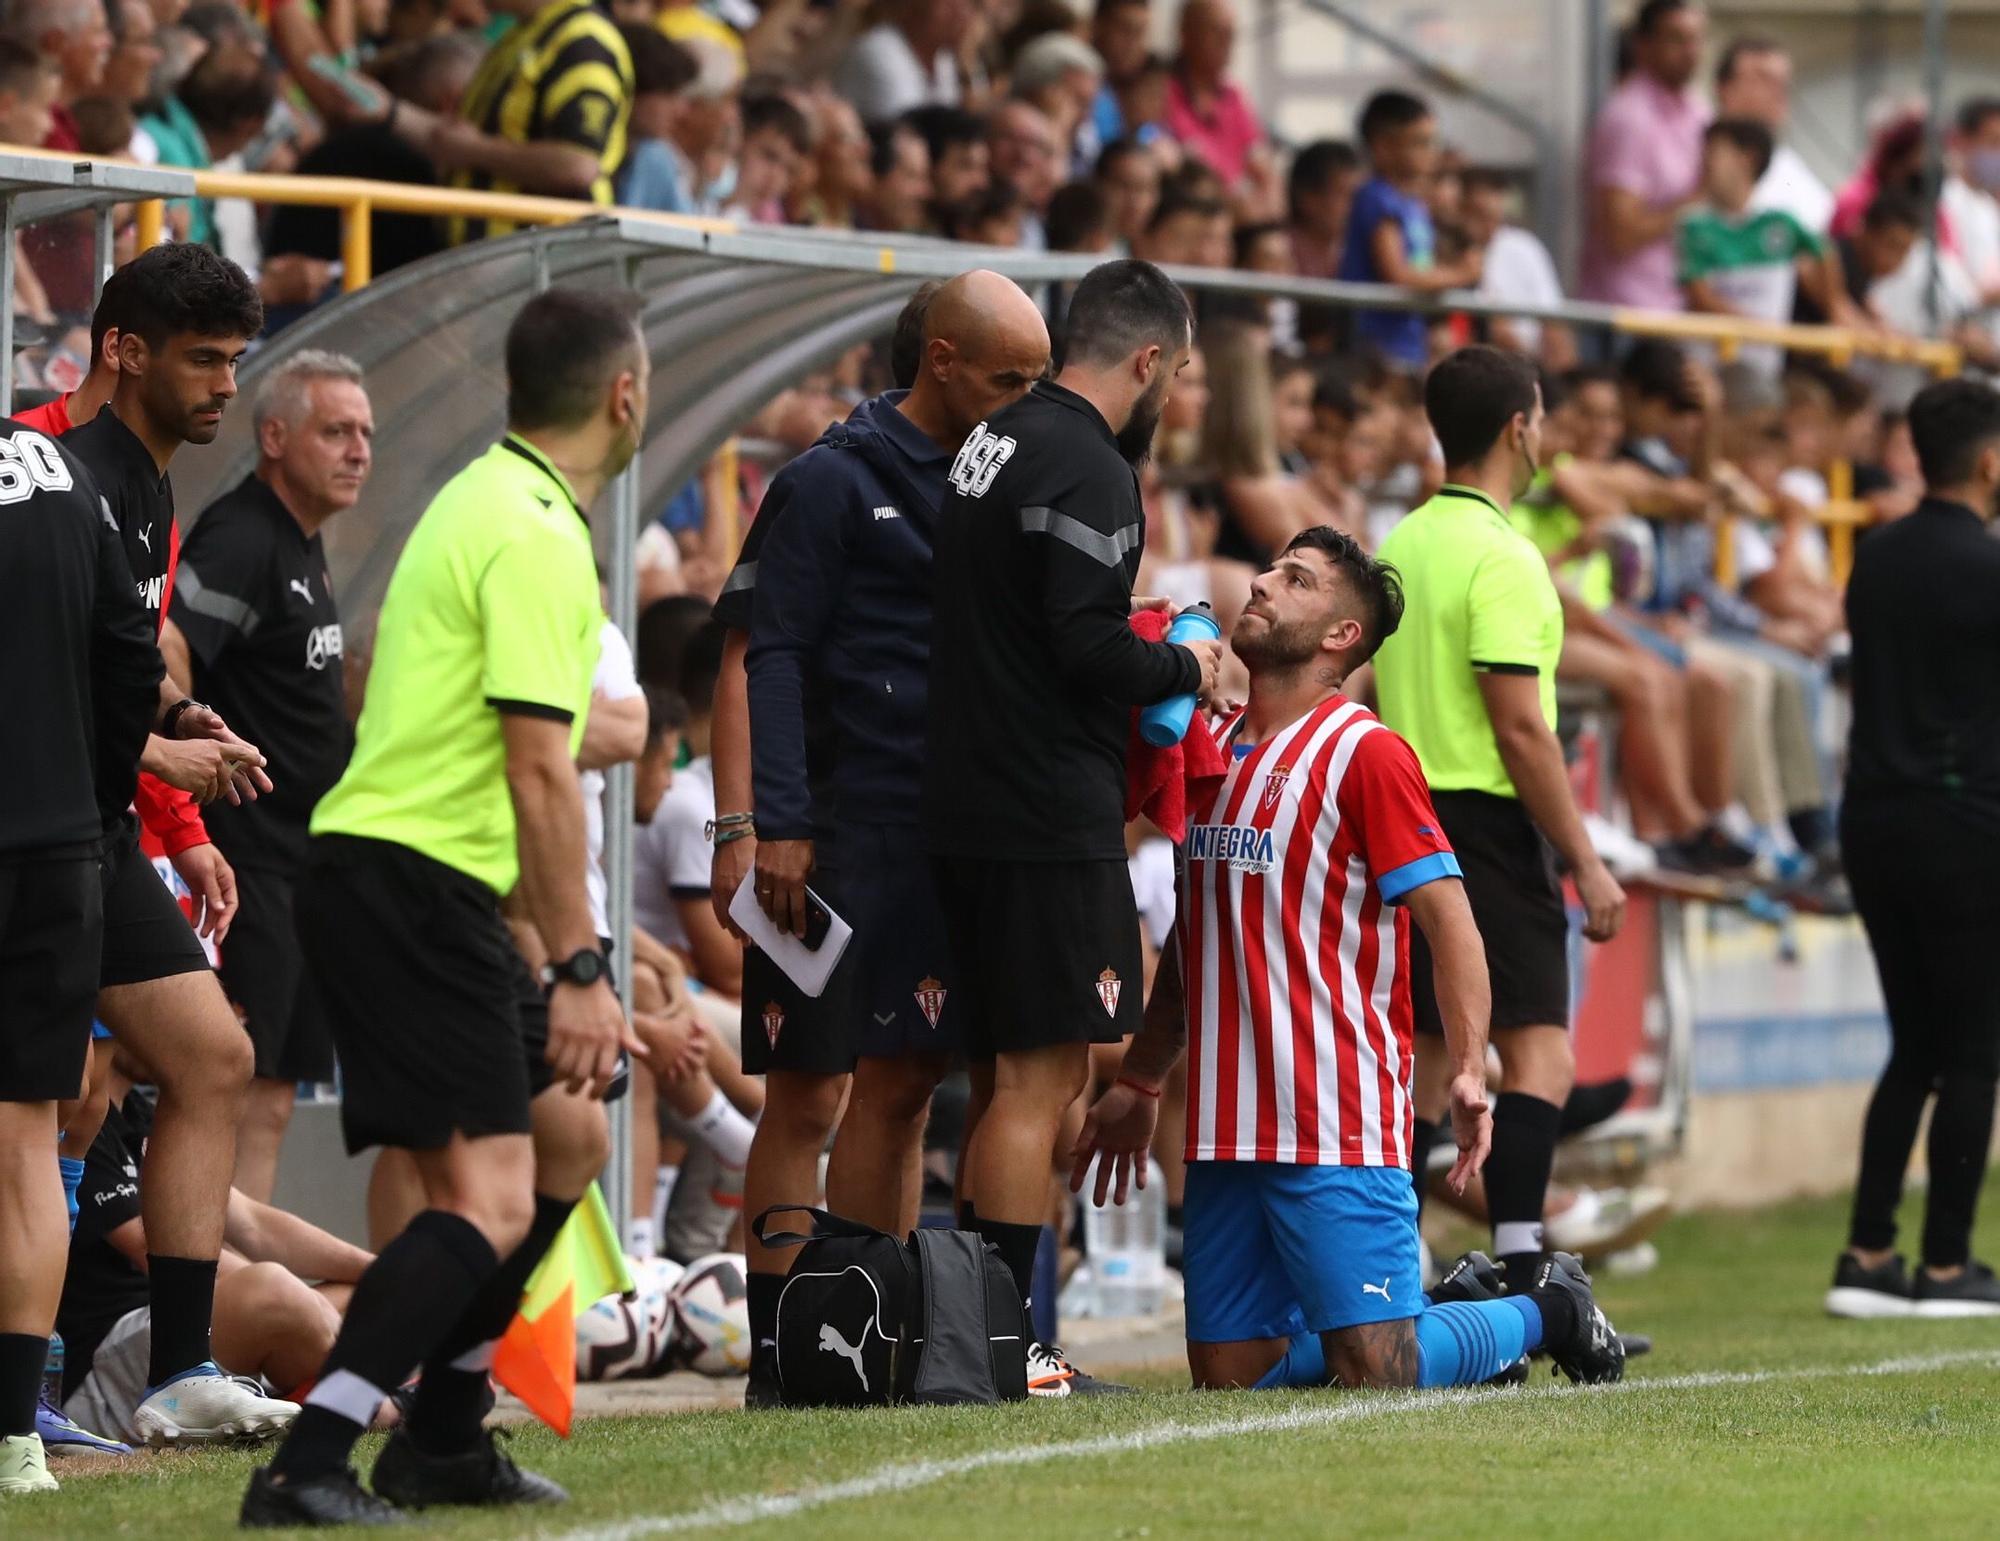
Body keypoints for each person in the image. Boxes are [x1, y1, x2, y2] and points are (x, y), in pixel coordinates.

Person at [240, 289, 649, 1527]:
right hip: (403, 883)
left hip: (417, 883)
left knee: (568, 1139)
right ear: (624, 396)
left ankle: (447, 1436)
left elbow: (504, 766)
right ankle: (309, 1462)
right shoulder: (534, 531)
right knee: (487, 1197)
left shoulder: (487, 494)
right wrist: (578, 964)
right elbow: (540, 764)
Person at [1071, 527, 1626, 1393]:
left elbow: (1454, 924)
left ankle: (1545, 1308)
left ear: (1341, 638)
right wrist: (1142, 1082)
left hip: (1335, 1117)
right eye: (1270, 569)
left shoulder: (1364, 752)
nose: (1259, 584)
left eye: (1295, 580)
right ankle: (1447, 1309)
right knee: (1231, 1377)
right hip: (1224, 1127)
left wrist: (1472, 1066)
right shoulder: (1211, 752)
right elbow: (1195, 938)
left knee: (1374, 1371)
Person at [738, 270, 1052, 1405]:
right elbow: (766, 652)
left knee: (908, 1080)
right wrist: (776, 821)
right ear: (941, 362)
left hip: (943, 833)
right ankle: (780, 1352)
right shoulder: (828, 479)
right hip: (829, 835)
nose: (1026, 399)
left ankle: (868, 1335)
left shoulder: (1001, 477)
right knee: (806, 1085)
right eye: (1010, 378)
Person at [924, 258, 1222, 1396]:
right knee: (1038, 1081)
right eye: (1178, 373)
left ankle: (983, 1340)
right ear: (1144, 361)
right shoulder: (1087, 461)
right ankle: (999, 1350)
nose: (1177, 396)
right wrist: (1183, 659)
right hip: (1043, 806)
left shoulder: (991, 440)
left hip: (966, 794)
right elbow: (1081, 644)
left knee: (1013, 1082)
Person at [63, 245, 298, 1452]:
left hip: (94, 834)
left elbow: (112, 668)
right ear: (124, 350)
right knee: (45, 1110)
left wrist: (174, 721)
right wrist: (160, 761)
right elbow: (34, 683)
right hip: (40, 834)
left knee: (212, 1055)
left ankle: (179, 1367)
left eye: (234, 361)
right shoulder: (56, 468)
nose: (223, 385)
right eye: (202, 358)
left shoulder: (151, 492)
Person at [1372, 346, 1626, 1291]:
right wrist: (1586, 861)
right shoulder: (1506, 557)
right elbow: (1520, 727)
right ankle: (1527, 1273)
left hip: (1402, 814)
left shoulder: (1397, 544)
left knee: (1431, 1057)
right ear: (1522, 427)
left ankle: (1386, 1271)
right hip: (1482, 815)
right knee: (1541, 1055)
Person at [0, 402, 172, 1496]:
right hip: (65, 849)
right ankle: (16, 1435)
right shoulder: (58, 471)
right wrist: (103, 803)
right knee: (27, 1139)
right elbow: (129, 654)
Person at [159, 353, 372, 1205]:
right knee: (243, 1089)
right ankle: (221, 1293)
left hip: (302, 864)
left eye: (364, 433)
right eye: (336, 430)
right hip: (249, 862)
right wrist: (186, 737)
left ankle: (243, 1284)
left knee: (274, 1094)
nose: (358, 449)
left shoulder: (303, 541)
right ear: (274, 436)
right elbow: (167, 642)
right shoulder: (245, 534)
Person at [1829, 378, 2000, 1320]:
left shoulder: (1876, 556)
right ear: (1988, 461)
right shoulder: (1987, 566)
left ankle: (1866, 1252)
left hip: (1874, 822)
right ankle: (1945, 1268)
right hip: (1965, 821)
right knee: (1973, 1051)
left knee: (1915, 1045)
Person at [60, 1067, 375, 1448]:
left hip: (188, 1329)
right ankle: (372, 1400)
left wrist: (383, 1270)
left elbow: (255, 1224)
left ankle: (312, 1398)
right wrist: (285, 1297)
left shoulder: (142, 1111)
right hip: (107, 1358)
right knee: (276, 1294)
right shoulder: (82, 1115)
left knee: (361, 1292)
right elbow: (150, 1250)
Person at [433, 0, 635, 244]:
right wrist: (390, 112)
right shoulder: (526, 34)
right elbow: (452, 140)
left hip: (545, 264)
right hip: (507, 260)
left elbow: (578, 163)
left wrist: (474, 150)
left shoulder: (583, 38)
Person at [1678, 118, 1854, 376]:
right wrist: (1761, 329)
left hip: (1764, 367)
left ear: (1747, 158)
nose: (1704, 163)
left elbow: (1824, 252)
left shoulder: (1780, 222)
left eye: (1713, 152)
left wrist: (1834, 308)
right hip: (1707, 367)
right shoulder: (1694, 225)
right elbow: (1700, 297)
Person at [1579, 0, 1709, 310]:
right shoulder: (1630, 117)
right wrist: (1698, 200)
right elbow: (1620, 235)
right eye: (1677, 39)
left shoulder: (1697, 111)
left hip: (1675, 307)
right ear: (1643, 46)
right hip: (1628, 309)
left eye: (1696, 39)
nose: (1690, 51)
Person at [1338, 90, 1481, 371]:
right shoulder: (1377, 197)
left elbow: (1420, 267)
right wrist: (1461, 274)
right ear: (1383, 147)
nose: (1431, 152)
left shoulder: (1413, 204)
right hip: (1375, 347)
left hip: (1408, 343)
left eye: (1433, 142)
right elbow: (1397, 273)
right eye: (1419, 143)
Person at [1714, 34, 1833, 236]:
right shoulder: (1693, 156)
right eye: (1764, 79)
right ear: (1725, 89)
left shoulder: (1790, 165)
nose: (1779, 90)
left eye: (1783, 81)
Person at [1461, 169, 1572, 367]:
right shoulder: (1450, 251)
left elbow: (1554, 321)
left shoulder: (1524, 246)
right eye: (1478, 214)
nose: (1486, 226)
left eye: (1493, 216)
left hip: (1530, 365)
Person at [832, 0, 974, 128]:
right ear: (913, 6)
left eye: (964, 5)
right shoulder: (879, 52)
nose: (960, 16)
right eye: (948, 5)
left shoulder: (943, 59)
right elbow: (911, 134)